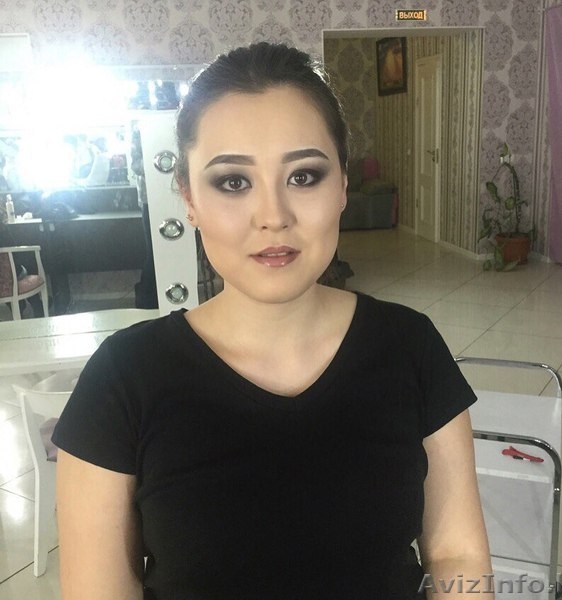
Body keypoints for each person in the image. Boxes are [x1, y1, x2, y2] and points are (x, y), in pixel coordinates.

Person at [53, 42, 493, 599]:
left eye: (304, 176)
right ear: (188, 198)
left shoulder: (411, 346)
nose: (273, 217)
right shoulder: (122, 378)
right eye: (233, 182)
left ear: (343, 186)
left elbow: (456, 552)